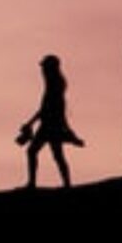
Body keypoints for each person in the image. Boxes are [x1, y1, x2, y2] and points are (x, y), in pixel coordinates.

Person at [18, 54, 83, 188]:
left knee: (35, 152)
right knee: (56, 155)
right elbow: (45, 109)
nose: (42, 70)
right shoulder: (55, 84)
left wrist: (30, 123)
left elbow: (48, 109)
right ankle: (66, 184)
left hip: (50, 125)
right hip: (50, 124)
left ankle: (33, 183)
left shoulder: (54, 85)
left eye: (44, 67)